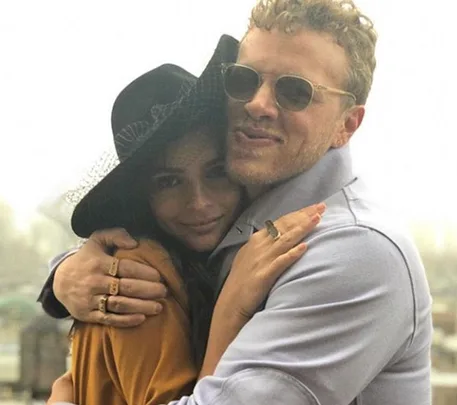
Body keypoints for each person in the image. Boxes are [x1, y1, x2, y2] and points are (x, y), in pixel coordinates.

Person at [44, 0, 433, 404]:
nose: (258, 104)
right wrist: (64, 275)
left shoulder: (353, 252)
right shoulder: (241, 217)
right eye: (245, 80)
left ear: (346, 124)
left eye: (295, 91)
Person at [53, 44, 324, 405]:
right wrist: (232, 308)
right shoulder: (137, 284)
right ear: (142, 196)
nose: (199, 203)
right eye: (169, 181)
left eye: (217, 173)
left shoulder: (196, 266)